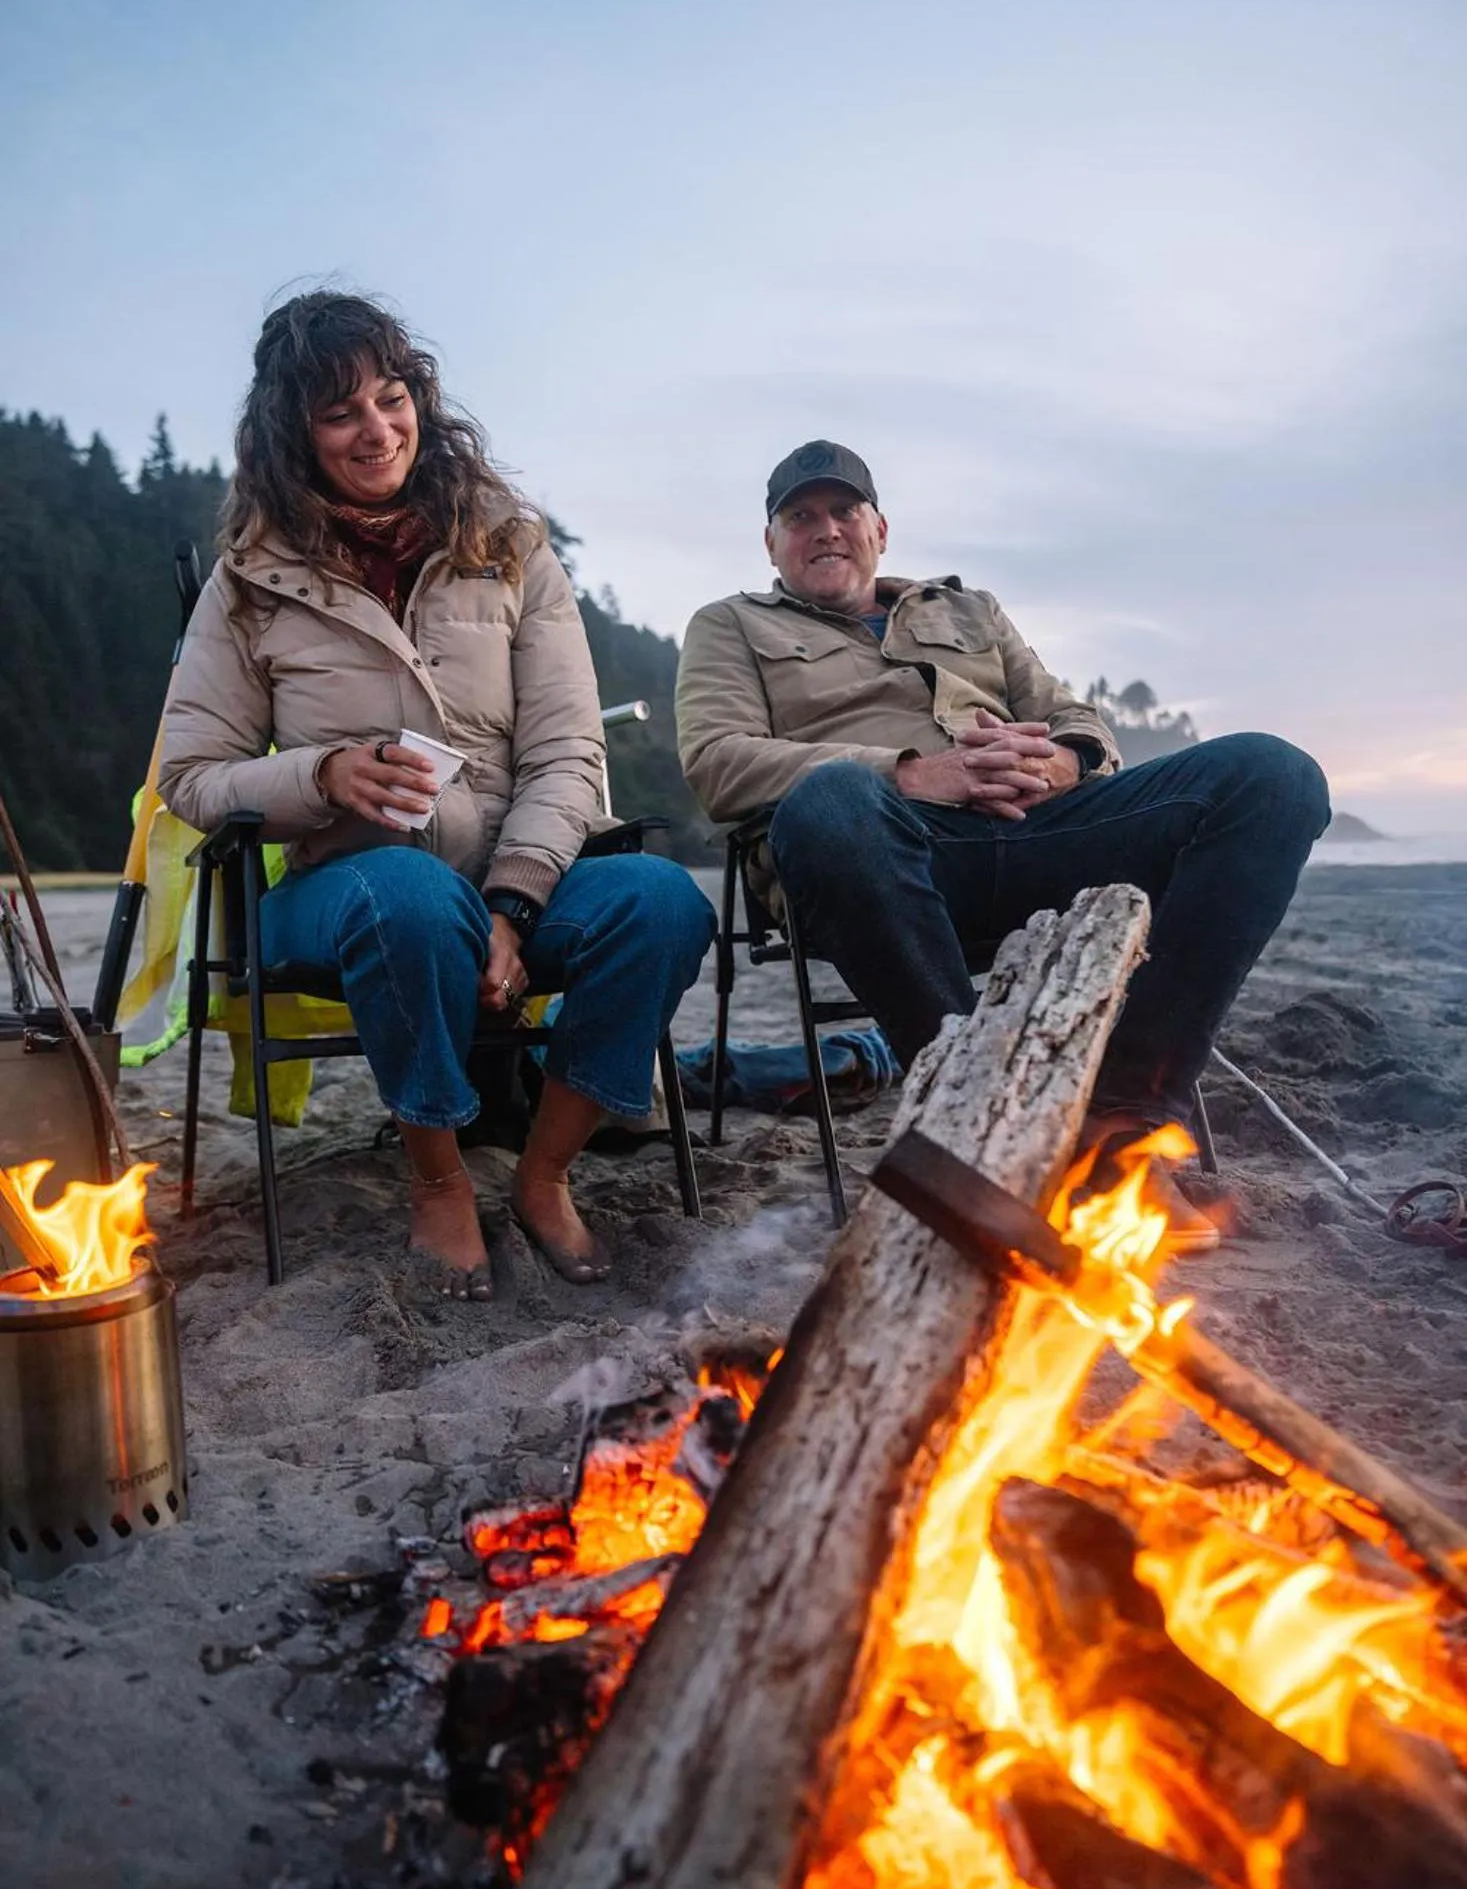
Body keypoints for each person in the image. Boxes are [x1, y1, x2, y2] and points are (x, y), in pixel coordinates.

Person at [160, 292, 715, 1300]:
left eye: (393, 395)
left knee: (664, 899)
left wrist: (513, 903)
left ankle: (543, 1175)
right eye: (342, 413)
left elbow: (566, 752)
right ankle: (439, 1178)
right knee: (405, 898)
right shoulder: (248, 582)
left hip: (515, 878)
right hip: (346, 895)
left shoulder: (509, 548)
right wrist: (320, 775)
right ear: (295, 434)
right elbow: (191, 777)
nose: (378, 428)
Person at [676, 440, 1330, 1210]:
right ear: (771, 543)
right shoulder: (729, 625)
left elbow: (1072, 716)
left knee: (1273, 776)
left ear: (878, 529)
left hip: (1038, 833)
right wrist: (909, 772)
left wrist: (1065, 761)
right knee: (832, 799)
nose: (825, 529)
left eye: (843, 511)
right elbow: (718, 761)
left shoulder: (969, 609)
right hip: (877, 858)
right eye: (800, 516)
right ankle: (976, 1115)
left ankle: (1122, 1127)